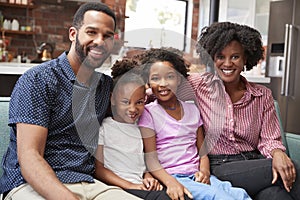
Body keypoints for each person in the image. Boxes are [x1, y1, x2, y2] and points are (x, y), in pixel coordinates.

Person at [0, 2, 141, 200]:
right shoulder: (38, 80)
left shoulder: (106, 88)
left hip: (90, 182)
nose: (100, 41)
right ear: (73, 34)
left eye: (107, 36)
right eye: (91, 32)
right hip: (31, 185)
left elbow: (136, 107)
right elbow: (30, 156)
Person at [178, 21, 300, 199]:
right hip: (219, 166)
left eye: (235, 57)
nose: (227, 63)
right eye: (220, 56)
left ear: (245, 59)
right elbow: (160, 89)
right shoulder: (198, 85)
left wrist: (278, 154)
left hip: (255, 164)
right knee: (295, 169)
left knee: (275, 195)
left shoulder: (261, 95)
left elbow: (269, 139)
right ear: (212, 57)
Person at [138, 48, 252, 200]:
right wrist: (170, 182)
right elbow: (150, 159)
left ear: (179, 79)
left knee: (239, 194)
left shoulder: (192, 110)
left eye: (170, 77)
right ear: (148, 83)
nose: (163, 84)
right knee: (219, 197)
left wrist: (204, 171)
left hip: (196, 175)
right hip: (172, 177)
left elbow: (202, 151)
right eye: (156, 78)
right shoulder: (148, 113)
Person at [95, 58, 186, 200]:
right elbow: (99, 170)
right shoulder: (104, 128)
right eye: (125, 102)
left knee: (181, 197)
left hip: (141, 185)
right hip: (118, 188)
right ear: (113, 99)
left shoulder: (142, 127)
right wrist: (129, 185)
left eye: (139, 102)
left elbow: (144, 162)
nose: (132, 109)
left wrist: (149, 176)